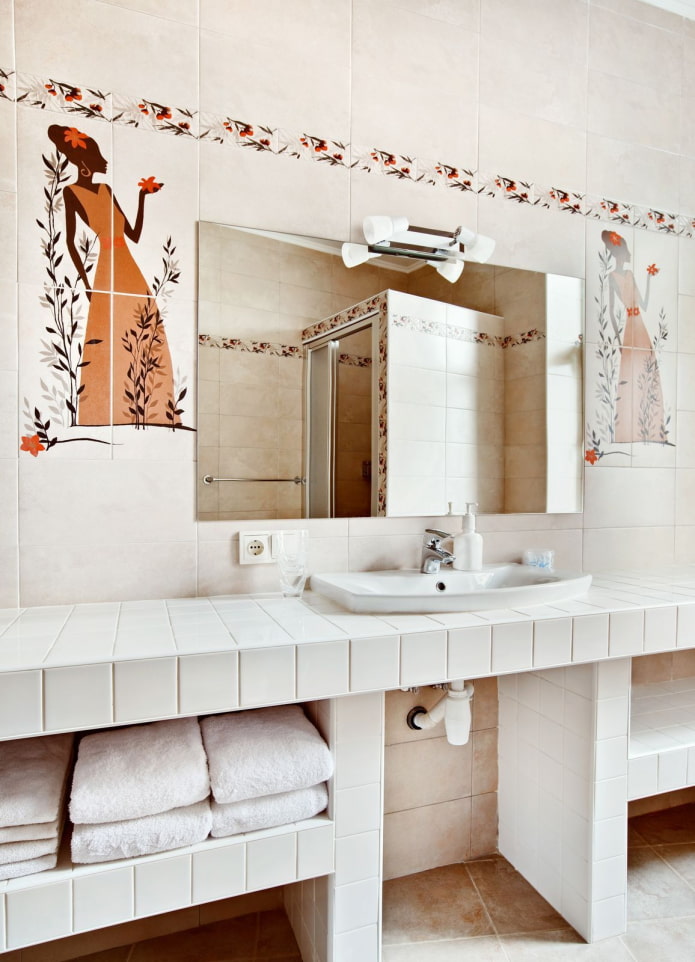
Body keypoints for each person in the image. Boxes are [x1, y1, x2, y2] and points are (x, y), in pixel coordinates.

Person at [47, 124, 177, 427]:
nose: (101, 162)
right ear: (82, 163)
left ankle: (149, 409)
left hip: (128, 266)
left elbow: (133, 233)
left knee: (143, 330)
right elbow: (68, 242)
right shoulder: (71, 192)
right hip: (107, 267)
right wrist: (87, 283)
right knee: (109, 336)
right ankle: (102, 413)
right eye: (96, 158)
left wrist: (142, 198)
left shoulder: (106, 190)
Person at [601, 229, 664, 443]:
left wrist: (647, 279)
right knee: (630, 374)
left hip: (639, 326)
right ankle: (629, 432)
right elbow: (610, 311)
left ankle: (650, 429)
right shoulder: (612, 277)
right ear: (619, 253)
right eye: (625, 251)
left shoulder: (630, 275)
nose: (627, 255)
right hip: (630, 327)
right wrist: (619, 341)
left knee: (646, 371)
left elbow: (643, 305)